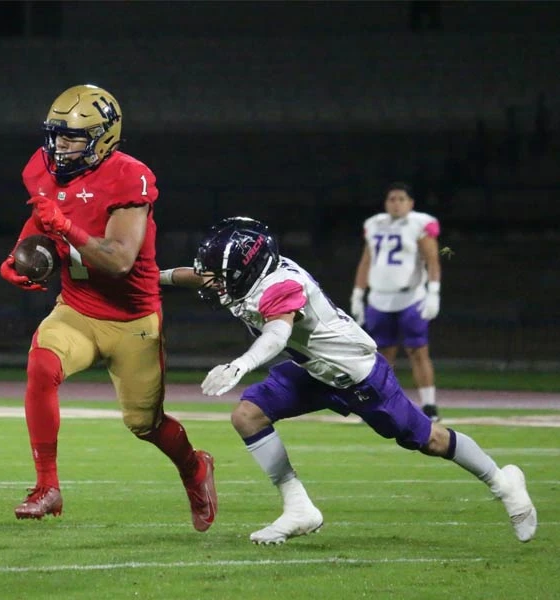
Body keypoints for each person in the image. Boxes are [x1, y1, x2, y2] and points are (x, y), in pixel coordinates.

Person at [160, 217, 536, 545]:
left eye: (218, 275)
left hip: (357, 376)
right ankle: (299, 508)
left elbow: (276, 334)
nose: (211, 282)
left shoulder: (280, 286)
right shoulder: (245, 277)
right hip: (313, 371)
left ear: (244, 269)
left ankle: (503, 484)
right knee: (248, 415)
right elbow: (191, 275)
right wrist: (147, 277)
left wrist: (240, 366)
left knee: (429, 439)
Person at [0, 84, 217, 530]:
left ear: (104, 137)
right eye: (56, 135)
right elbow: (40, 216)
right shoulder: (42, 168)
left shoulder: (129, 176)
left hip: (132, 320)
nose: (60, 145)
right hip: (76, 309)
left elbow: (119, 260)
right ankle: (47, 486)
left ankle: (195, 467)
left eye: (73, 137)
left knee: (145, 424)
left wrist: (65, 227)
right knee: (41, 367)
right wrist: (20, 255)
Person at [350, 182, 443, 421]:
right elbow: (366, 261)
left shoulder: (419, 223)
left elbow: (432, 259)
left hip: (411, 297)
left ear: (411, 203)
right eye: (392, 198)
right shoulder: (374, 224)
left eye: (402, 198)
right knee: (380, 355)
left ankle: (429, 405)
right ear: (386, 203)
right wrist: (358, 294)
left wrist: (433, 291)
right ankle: (378, 402)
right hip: (379, 297)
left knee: (418, 351)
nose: (396, 203)